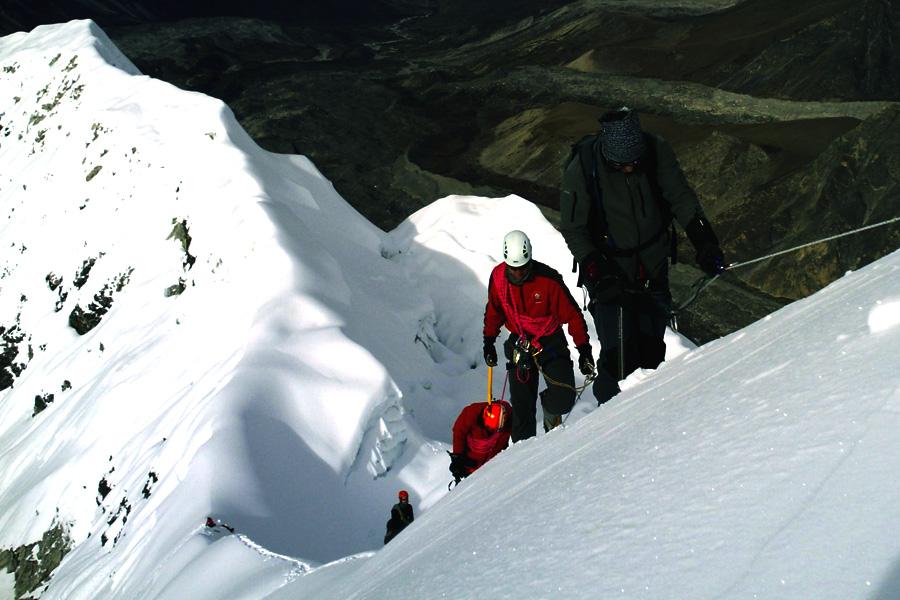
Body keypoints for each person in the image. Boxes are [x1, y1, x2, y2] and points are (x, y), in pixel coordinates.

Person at [559, 107, 726, 406]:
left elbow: (681, 198)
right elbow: (574, 229)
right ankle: (608, 416)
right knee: (617, 356)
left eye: (634, 163)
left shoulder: (656, 151)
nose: (629, 169)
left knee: (652, 351)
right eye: (620, 165)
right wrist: (597, 271)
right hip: (610, 274)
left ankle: (650, 415)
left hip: (652, 266)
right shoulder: (584, 167)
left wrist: (705, 241)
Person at [483, 230, 595, 442]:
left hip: (549, 340)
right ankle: (523, 457)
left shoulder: (548, 281)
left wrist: (584, 351)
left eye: (522, 269)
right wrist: (488, 341)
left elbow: (572, 315)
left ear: (530, 261)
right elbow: (494, 311)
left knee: (563, 398)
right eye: (513, 270)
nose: (517, 274)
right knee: (522, 411)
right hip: (519, 341)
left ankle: (550, 411)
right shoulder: (498, 279)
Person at [448, 400, 513, 482]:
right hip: (470, 462)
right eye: (489, 428)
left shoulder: (509, 418)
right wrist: (457, 457)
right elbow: (459, 433)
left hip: (490, 465)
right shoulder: (471, 413)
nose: (491, 432)